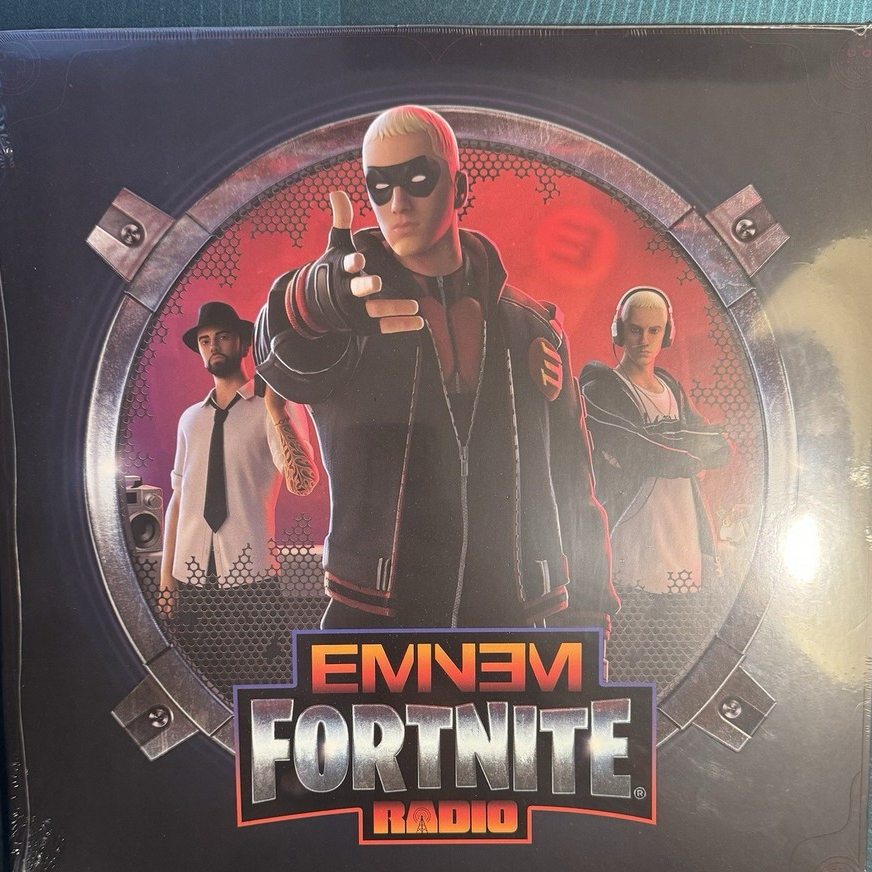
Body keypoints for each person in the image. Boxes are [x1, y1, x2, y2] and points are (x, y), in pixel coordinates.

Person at [254, 105, 617, 630]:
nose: (398, 204)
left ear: (459, 187)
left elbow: (572, 481)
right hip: (375, 613)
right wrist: (314, 299)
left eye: (418, 179)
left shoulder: (531, 326)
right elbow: (278, 354)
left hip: (514, 609)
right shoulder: (348, 314)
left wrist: (588, 608)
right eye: (380, 187)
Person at [159, 301, 317, 617]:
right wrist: (166, 579)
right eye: (205, 340)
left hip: (251, 579)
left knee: (260, 651)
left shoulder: (274, 405)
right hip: (190, 578)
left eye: (222, 337)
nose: (213, 346)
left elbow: (303, 483)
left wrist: (276, 411)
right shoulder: (190, 420)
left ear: (243, 345)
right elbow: (178, 499)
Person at [580, 287, 731, 594]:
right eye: (635, 330)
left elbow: (720, 447)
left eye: (654, 330)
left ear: (667, 333)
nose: (645, 340)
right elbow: (634, 448)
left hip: (684, 545)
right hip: (629, 548)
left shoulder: (671, 388)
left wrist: (659, 442)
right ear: (620, 331)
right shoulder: (599, 390)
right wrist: (688, 451)